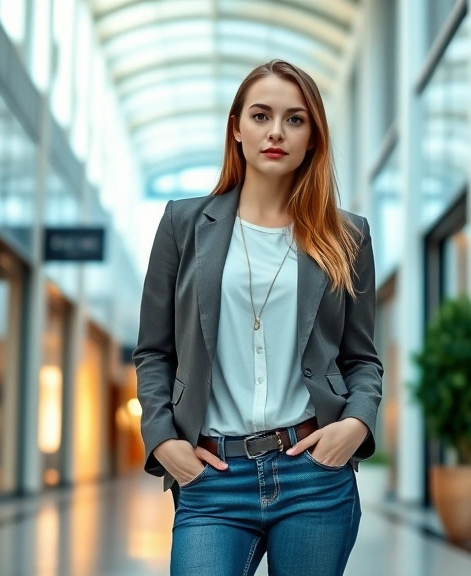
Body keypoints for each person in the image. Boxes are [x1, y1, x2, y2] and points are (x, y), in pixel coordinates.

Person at [134, 59, 383, 576]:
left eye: (295, 119)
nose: (276, 132)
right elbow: (154, 351)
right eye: (261, 115)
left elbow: (362, 358)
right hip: (212, 477)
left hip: (313, 472)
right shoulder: (183, 225)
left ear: (313, 136)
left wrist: (355, 425)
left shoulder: (347, 236)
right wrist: (162, 439)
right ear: (237, 127)